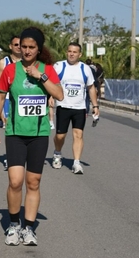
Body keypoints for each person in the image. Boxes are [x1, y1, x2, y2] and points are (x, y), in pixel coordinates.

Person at [0, 26, 64, 246]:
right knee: (15, 181)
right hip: (15, 132)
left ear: (39, 49)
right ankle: (13, 225)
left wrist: (40, 76)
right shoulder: (11, 70)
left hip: (39, 133)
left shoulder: (47, 69)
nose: (28, 51)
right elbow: (0, 99)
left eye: (32, 47)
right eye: (24, 47)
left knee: (34, 182)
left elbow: (59, 94)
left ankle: (28, 228)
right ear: (19, 47)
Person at [50, 42, 100, 174]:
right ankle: (57, 153)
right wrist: (50, 97)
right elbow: (51, 84)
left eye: (74, 52)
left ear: (80, 54)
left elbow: (91, 88)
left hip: (79, 107)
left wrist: (95, 105)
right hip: (63, 106)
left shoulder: (85, 68)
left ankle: (76, 162)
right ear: (66, 52)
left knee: (78, 134)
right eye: (69, 51)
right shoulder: (59, 66)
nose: (71, 54)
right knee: (60, 136)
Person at [0, 35, 22, 130]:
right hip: (6, 100)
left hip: (22, 100)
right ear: (10, 46)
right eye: (16, 44)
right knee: (9, 129)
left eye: (21, 44)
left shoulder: (28, 62)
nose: (19, 47)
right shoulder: (4, 62)